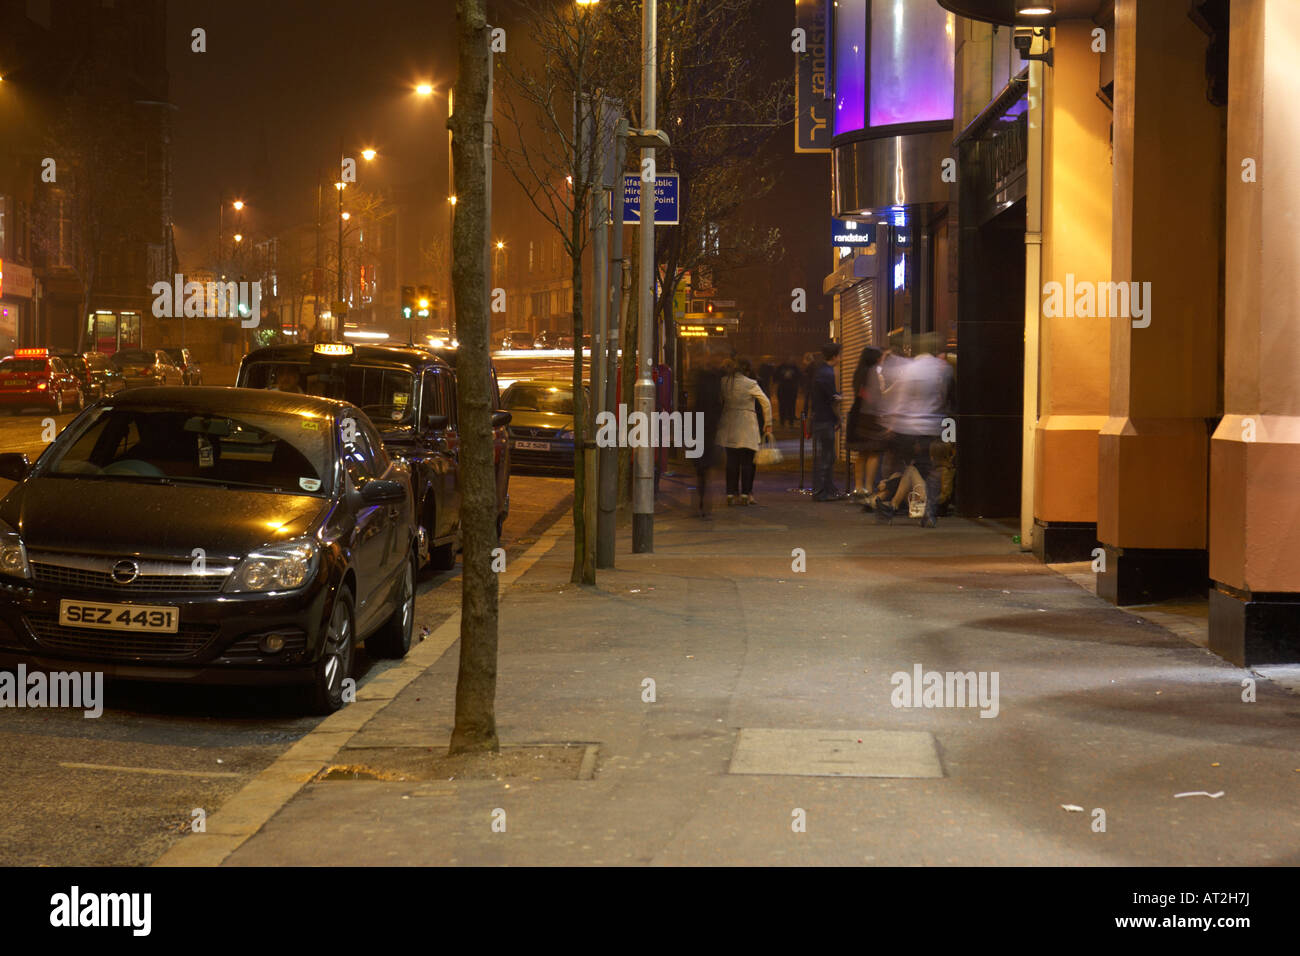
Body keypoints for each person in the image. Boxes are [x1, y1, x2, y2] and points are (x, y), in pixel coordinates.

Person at [876, 352, 953, 527]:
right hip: (932, 427)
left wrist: (893, 424)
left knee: (916, 469)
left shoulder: (914, 371)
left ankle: (893, 506)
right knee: (919, 469)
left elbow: (902, 401)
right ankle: (900, 507)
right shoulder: (941, 372)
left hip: (917, 428)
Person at [717, 357, 772, 506]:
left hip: (729, 422)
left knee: (732, 460)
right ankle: (745, 493)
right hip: (748, 424)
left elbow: (718, 401)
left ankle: (730, 493)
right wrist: (768, 423)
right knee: (747, 462)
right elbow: (765, 402)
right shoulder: (750, 383)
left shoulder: (724, 382)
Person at [845, 346, 887, 498]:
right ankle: (868, 487)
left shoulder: (859, 372)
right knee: (874, 453)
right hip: (871, 417)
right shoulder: (873, 373)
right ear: (876, 359)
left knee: (861, 453)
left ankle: (858, 487)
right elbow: (875, 397)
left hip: (858, 415)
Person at [690, 353, 725, 517]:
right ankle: (705, 504)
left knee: (700, 469)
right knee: (706, 468)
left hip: (696, 427)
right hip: (709, 429)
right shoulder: (716, 383)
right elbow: (719, 406)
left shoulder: (698, 382)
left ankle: (700, 500)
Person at [809, 341, 842, 500]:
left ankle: (827, 489)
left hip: (820, 418)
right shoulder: (827, 373)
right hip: (825, 419)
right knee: (826, 456)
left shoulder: (820, 371)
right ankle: (822, 491)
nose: (841, 358)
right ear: (835, 356)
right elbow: (832, 399)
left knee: (826, 455)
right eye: (840, 355)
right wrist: (839, 417)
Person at [775, 355, 801, 427]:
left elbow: (799, 376)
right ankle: (782, 422)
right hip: (782, 389)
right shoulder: (780, 367)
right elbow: (775, 377)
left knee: (791, 406)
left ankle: (791, 422)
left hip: (792, 390)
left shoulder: (795, 368)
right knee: (782, 406)